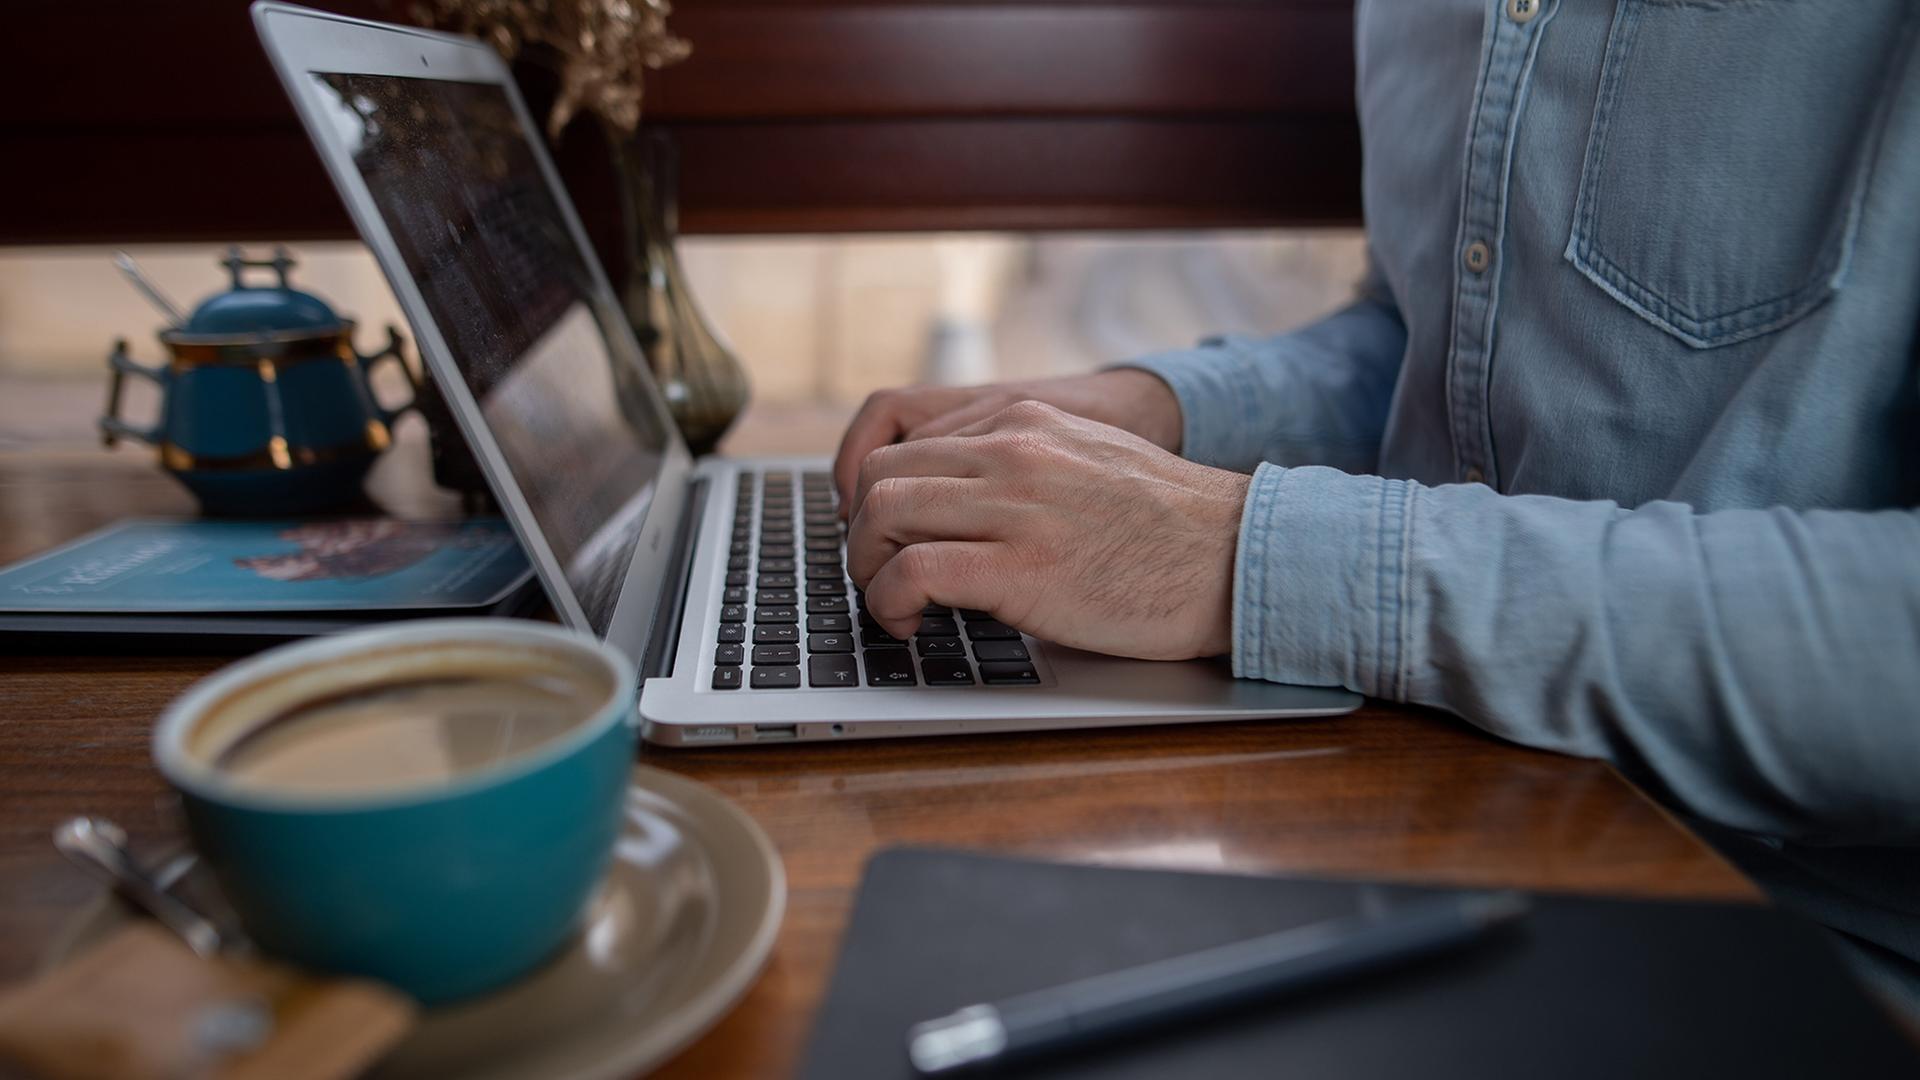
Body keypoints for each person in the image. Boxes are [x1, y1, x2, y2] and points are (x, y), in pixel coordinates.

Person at [832, 1, 1920, 1008]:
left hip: (1794, 926)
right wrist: (1160, 408)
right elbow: (1436, 347)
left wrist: (1240, 556)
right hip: (1455, 783)